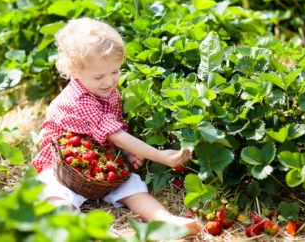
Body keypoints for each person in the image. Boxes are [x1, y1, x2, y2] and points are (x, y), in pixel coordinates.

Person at [32, 17, 200, 235]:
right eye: (99, 76)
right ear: (74, 71)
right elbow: (116, 134)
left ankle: (165, 220)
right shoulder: (80, 100)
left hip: (103, 161)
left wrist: (129, 152)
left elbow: (115, 127)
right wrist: (161, 157)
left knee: (133, 187)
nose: (109, 81)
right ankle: (72, 228)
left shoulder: (105, 90)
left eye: (115, 72)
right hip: (62, 165)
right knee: (55, 195)